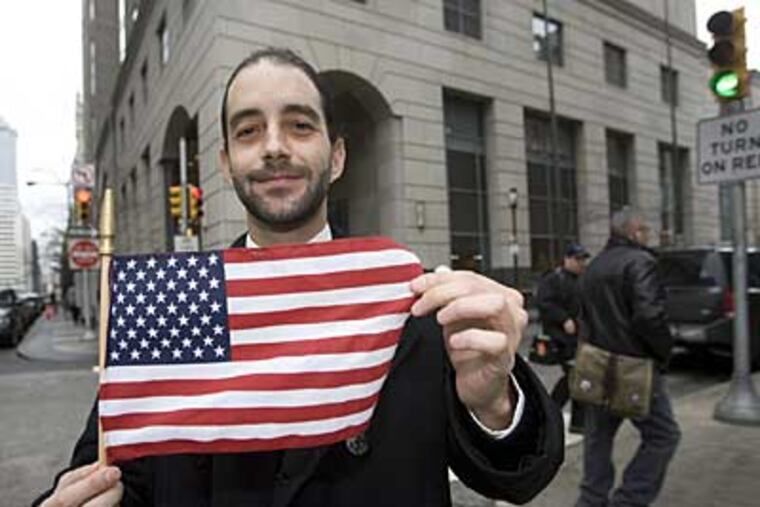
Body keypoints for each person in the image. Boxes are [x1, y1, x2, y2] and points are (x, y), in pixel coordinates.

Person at [36, 48, 563, 507]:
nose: (273, 146)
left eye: (300, 125)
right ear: (225, 163)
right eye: (248, 131)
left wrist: (492, 403)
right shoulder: (170, 306)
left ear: (335, 157)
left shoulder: (416, 303)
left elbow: (520, 476)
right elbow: (116, 475)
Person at [575, 207, 680, 507]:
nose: (648, 235)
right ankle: (630, 499)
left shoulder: (594, 266)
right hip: (634, 366)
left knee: (598, 439)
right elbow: (649, 316)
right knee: (663, 435)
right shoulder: (641, 262)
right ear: (634, 232)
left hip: (596, 365)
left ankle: (591, 500)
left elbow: (583, 316)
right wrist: (663, 353)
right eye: (645, 229)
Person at [535, 241, 589, 432]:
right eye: (577, 259)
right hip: (561, 337)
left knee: (577, 377)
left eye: (583, 259)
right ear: (567, 259)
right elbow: (544, 303)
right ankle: (552, 413)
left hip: (580, 336)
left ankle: (574, 420)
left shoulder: (583, 279)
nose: (581, 263)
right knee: (573, 376)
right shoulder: (554, 279)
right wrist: (564, 318)